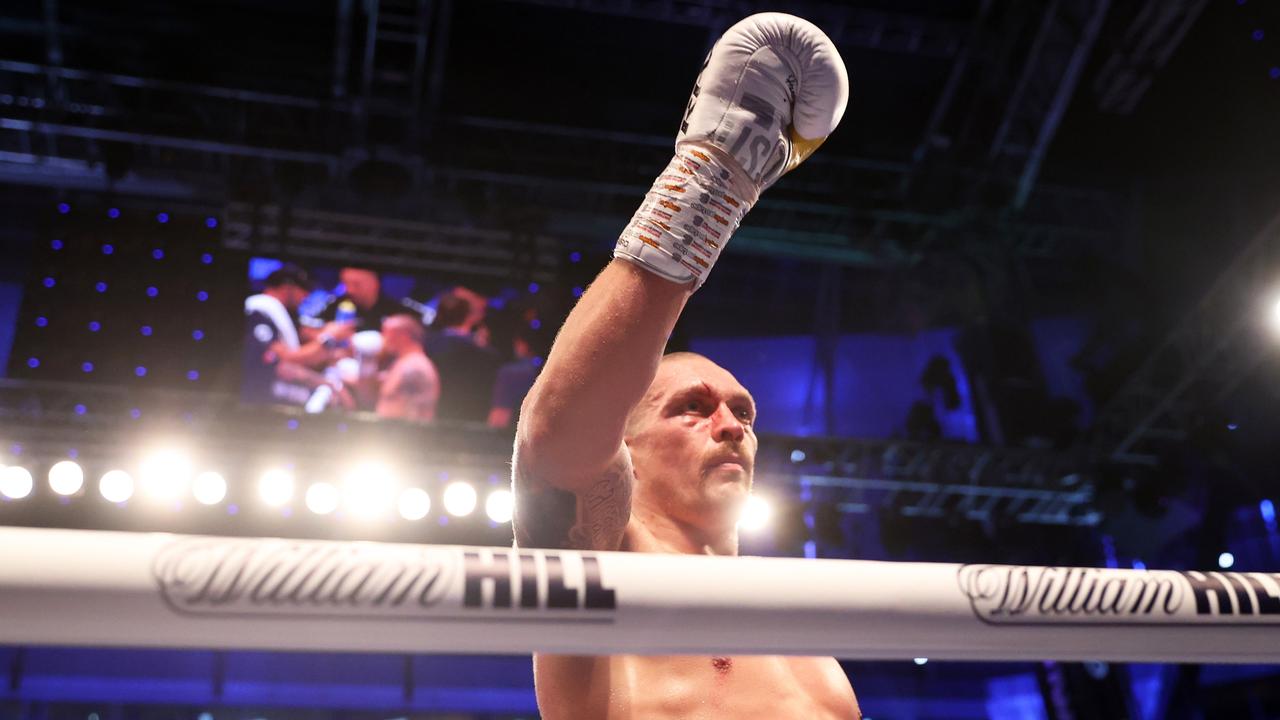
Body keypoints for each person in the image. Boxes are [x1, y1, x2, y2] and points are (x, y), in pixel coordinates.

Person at [512, 13, 858, 720]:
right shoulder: (604, 577)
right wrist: (715, 176)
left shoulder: (807, 646)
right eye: (691, 407)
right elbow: (556, 438)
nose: (731, 427)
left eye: (743, 413)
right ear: (625, 447)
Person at [243, 264, 353, 406]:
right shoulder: (259, 310)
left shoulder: (286, 315)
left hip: (284, 384)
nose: (306, 295)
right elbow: (284, 361)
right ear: (287, 287)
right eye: (303, 289)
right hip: (262, 391)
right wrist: (329, 338)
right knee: (327, 399)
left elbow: (312, 336)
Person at [425, 290, 500, 423]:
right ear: (469, 316)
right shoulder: (486, 354)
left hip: (432, 414)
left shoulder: (425, 345)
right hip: (470, 416)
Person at [375, 314, 439, 422]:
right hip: (391, 433)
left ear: (403, 335)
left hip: (401, 435)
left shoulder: (414, 367)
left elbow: (414, 413)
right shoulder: (405, 363)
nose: (383, 338)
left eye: (386, 332)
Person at [306, 266, 405, 335]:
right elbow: (307, 328)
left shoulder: (398, 312)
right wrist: (326, 332)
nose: (350, 290)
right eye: (345, 283)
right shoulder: (333, 305)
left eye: (356, 284)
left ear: (374, 283)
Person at [487, 326, 543, 428]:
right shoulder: (548, 373)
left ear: (522, 345)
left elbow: (500, 415)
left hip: (510, 437)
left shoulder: (510, 373)